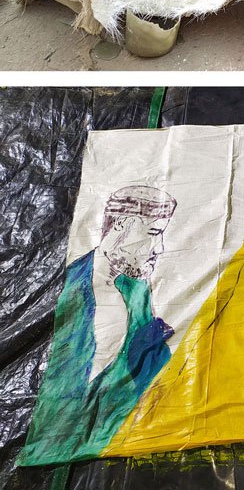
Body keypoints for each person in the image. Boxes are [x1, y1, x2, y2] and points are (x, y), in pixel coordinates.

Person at [19, 186, 177, 465]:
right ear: (123, 225)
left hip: (111, 445)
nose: (159, 249)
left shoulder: (137, 291)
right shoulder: (66, 288)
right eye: (153, 234)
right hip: (53, 448)